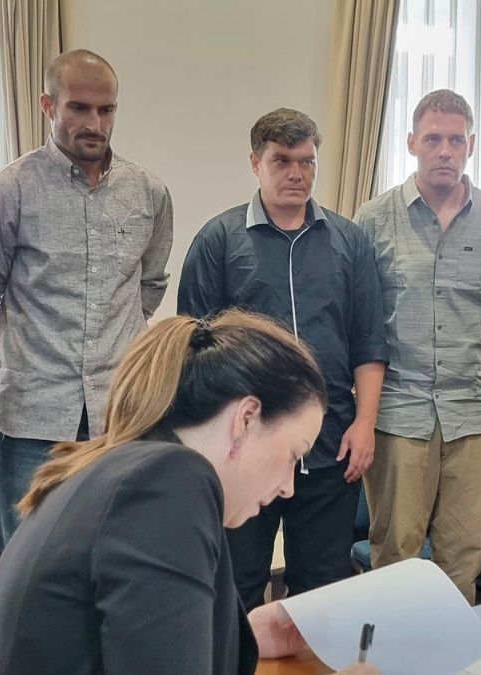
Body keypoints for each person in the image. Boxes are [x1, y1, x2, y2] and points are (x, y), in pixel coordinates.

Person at [0, 311, 378, 675]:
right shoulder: (168, 482)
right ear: (246, 418)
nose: (289, 487)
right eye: (293, 454)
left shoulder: (126, 470)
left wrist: (242, 634)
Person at [177, 108, 385, 609]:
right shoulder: (219, 240)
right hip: (244, 448)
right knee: (238, 585)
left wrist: (365, 424)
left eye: (307, 161)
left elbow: (368, 341)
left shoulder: (348, 241)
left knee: (323, 588)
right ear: (256, 163)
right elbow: (193, 349)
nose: (297, 173)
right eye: (282, 161)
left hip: (331, 444)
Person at [0, 49, 174, 550]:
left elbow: (147, 287)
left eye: (106, 110)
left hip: (120, 418)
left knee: (117, 556)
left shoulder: (148, 193)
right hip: (32, 421)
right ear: (48, 105)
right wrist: (24, 365)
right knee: (30, 561)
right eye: (79, 108)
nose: (95, 124)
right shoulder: (6, 192)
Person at [354, 89, 481, 604]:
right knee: (395, 559)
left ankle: (454, 649)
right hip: (399, 415)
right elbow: (362, 319)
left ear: (471, 144)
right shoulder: (374, 218)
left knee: (463, 559)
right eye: (433, 139)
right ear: (411, 142)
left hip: (473, 416)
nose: (445, 151)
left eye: (456, 140)